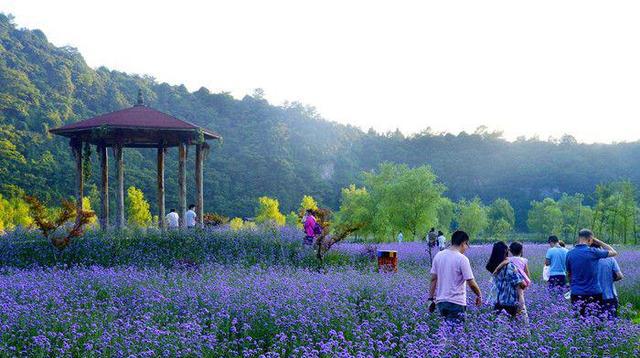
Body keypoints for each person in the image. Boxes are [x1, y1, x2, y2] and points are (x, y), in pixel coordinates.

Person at [428, 230, 482, 323]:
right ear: (463, 243)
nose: (466, 248)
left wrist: (430, 299)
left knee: (445, 332)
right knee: (455, 334)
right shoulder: (462, 259)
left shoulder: (438, 255)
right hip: (456, 303)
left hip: (441, 302)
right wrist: (479, 295)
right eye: (467, 245)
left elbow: (433, 279)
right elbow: (471, 283)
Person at [566, 229, 617, 317]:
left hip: (576, 293)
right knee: (595, 321)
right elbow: (614, 252)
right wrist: (599, 242)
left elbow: (569, 274)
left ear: (579, 238)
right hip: (594, 293)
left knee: (578, 321)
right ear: (590, 239)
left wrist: (573, 286)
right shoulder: (593, 252)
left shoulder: (570, 254)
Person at [486, 241, 525, 318]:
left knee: (496, 327)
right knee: (511, 327)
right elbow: (521, 284)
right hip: (509, 302)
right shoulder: (510, 266)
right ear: (505, 252)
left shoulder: (493, 266)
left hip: (495, 301)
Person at [592, 242, 624, 318]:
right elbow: (620, 276)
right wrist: (609, 279)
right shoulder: (610, 258)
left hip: (593, 297)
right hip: (609, 296)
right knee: (611, 323)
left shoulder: (588, 259)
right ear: (600, 247)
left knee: (593, 323)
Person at [508, 241, 530, 324]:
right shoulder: (523, 260)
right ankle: (522, 319)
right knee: (520, 298)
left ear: (510, 251)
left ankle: (512, 320)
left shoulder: (508, 260)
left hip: (510, 285)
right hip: (521, 284)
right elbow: (527, 275)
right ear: (521, 251)